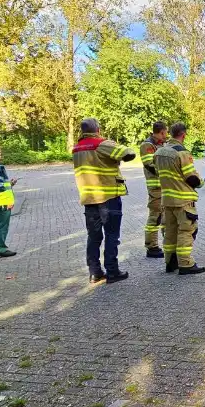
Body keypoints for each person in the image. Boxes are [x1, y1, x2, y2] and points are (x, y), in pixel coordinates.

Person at [72, 117, 135, 284]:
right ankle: (112, 271)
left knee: (93, 236)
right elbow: (128, 153)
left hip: (88, 197)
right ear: (97, 129)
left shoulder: (77, 147)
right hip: (108, 197)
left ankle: (94, 272)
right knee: (112, 235)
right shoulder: (101, 143)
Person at [153, 122, 205, 275]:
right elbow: (191, 178)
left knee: (169, 232)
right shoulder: (182, 152)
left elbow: (157, 173)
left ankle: (170, 262)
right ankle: (185, 263)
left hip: (166, 200)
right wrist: (201, 182)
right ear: (183, 135)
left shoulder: (159, 152)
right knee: (185, 231)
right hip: (183, 201)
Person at [138, 122, 168, 259]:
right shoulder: (147, 145)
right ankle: (152, 247)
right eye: (166, 132)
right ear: (161, 132)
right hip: (155, 188)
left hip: (165, 187)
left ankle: (168, 244)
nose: (167, 135)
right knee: (155, 217)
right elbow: (150, 165)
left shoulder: (162, 145)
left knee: (166, 218)